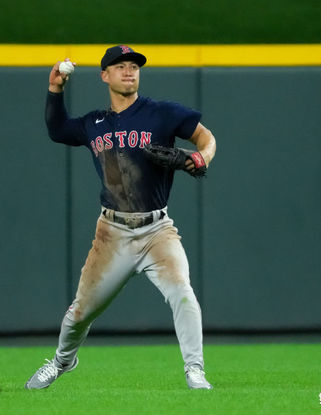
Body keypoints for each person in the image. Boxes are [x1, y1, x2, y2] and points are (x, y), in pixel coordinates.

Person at [25, 45, 217, 390]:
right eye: (120, 66)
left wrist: (201, 157)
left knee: (183, 293)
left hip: (157, 230)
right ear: (105, 76)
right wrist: (55, 89)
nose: (129, 71)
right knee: (80, 313)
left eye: (134, 66)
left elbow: (206, 137)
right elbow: (57, 130)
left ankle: (195, 370)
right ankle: (61, 362)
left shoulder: (161, 113)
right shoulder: (93, 124)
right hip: (111, 233)